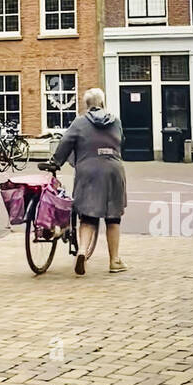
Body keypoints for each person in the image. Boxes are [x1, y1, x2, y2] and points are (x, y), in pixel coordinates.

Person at [48, 87, 128, 276]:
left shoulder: (80, 122)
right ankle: (114, 261)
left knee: (88, 216)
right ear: (102, 103)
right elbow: (121, 140)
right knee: (113, 217)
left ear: (86, 105)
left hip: (89, 171)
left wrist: (56, 162)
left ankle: (82, 251)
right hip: (114, 170)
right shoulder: (115, 121)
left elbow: (65, 143)